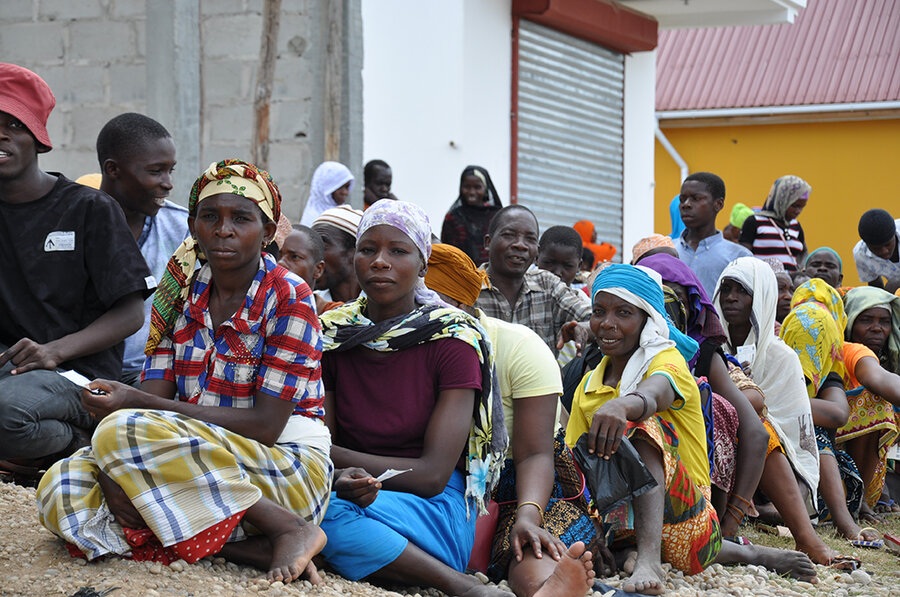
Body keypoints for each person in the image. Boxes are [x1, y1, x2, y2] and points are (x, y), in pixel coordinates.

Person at [36, 159, 333, 584]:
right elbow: (151, 401)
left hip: (284, 467)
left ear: (268, 232)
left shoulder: (289, 295)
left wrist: (130, 414)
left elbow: (266, 426)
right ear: (194, 226)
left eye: (241, 219)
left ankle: (289, 527)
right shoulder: (179, 293)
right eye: (210, 217)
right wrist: (114, 457)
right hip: (195, 460)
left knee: (124, 433)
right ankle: (239, 546)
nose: (223, 230)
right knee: (61, 484)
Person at [315, 199, 510, 597]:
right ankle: (351, 552)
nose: (380, 262)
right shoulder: (331, 334)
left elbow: (433, 474)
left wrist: (334, 463)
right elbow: (321, 443)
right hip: (342, 487)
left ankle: (456, 585)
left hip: (433, 505)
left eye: (398, 251)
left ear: (423, 265)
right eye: (367, 249)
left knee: (322, 515)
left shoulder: (454, 340)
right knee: (282, 498)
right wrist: (334, 471)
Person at [0, 64, 151, 476]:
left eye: (14, 123)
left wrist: (55, 351)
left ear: (38, 138)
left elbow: (131, 314)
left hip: (77, 373)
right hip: (9, 366)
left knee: (6, 413)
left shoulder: (87, 208)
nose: (2, 134)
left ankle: (81, 445)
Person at [425, 242, 601, 597]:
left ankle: (547, 588)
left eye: (428, 303)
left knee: (524, 545)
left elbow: (535, 454)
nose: (417, 313)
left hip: (525, 482)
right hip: (443, 477)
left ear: (462, 305)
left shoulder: (518, 347)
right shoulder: (399, 343)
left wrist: (527, 517)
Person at [566, 264, 721, 595]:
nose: (607, 323)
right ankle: (626, 550)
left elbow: (655, 392)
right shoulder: (588, 386)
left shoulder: (667, 362)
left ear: (647, 320)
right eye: (598, 311)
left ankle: (648, 559)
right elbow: (574, 465)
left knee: (639, 424)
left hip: (687, 522)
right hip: (618, 524)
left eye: (623, 313)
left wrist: (624, 405)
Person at [714, 258, 837, 565]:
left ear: (762, 297)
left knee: (760, 428)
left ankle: (802, 535)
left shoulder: (781, 356)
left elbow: (793, 430)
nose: (730, 297)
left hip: (780, 472)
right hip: (724, 458)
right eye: (726, 289)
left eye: (742, 291)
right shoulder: (712, 347)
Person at [780, 280, 880, 544]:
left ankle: (841, 518)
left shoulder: (831, 361)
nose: (809, 333)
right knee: (810, 428)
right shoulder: (795, 335)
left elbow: (837, 414)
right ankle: (840, 519)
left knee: (813, 429)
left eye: (818, 332)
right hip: (776, 443)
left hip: (815, 461)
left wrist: (783, 402)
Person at [96, 113, 189, 386]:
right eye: (155, 171)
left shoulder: (182, 229)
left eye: (170, 170)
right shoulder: (72, 224)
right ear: (113, 170)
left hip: (155, 373)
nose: (168, 183)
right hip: (83, 368)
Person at [476, 206, 591, 355]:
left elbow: (595, 319)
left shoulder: (547, 285)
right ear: (488, 242)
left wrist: (583, 328)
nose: (520, 245)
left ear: (536, 249)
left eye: (529, 239)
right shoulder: (466, 289)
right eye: (509, 235)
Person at [837, 287, 900, 521]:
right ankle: (859, 500)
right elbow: (878, 380)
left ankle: (880, 493)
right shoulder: (848, 350)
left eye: (884, 321)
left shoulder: (892, 358)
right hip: (832, 471)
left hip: (875, 477)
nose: (876, 328)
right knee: (874, 398)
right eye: (866, 320)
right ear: (850, 321)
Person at [673, 172, 752, 298]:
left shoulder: (739, 257)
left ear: (718, 204)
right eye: (682, 199)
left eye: (696, 198)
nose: (686, 204)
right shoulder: (667, 250)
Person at [739, 175, 810, 270]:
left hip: (792, 284)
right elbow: (743, 257)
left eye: (802, 207)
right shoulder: (754, 222)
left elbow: (802, 255)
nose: (798, 211)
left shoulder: (796, 226)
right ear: (781, 201)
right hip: (763, 282)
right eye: (795, 206)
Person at [441, 165, 503, 266]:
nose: (472, 192)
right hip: (461, 273)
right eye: (467, 187)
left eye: (477, 187)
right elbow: (447, 251)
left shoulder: (496, 216)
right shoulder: (453, 217)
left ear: (485, 188)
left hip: (492, 273)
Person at [311, 205, 364, 304]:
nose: (311, 255)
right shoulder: (311, 305)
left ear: (354, 254)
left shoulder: (383, 306)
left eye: (322, 245)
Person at [278, 224, 330, 311]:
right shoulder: (254, 304)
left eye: (295, 257)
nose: (280, 263)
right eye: (278, 255)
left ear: (318, 269)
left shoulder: (336, 317)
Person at [853, 208, 900, 293]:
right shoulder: (860, 254)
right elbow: (876, 288)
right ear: (866, 244)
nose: (884, 251)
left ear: (894, 234)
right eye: (876, 248)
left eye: (888, 244)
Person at [299, 161, 354, 226]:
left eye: (347, 187)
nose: (345, 192)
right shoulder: (313, 220)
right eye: (339, 187)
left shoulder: (347, 215)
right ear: (325, 189)